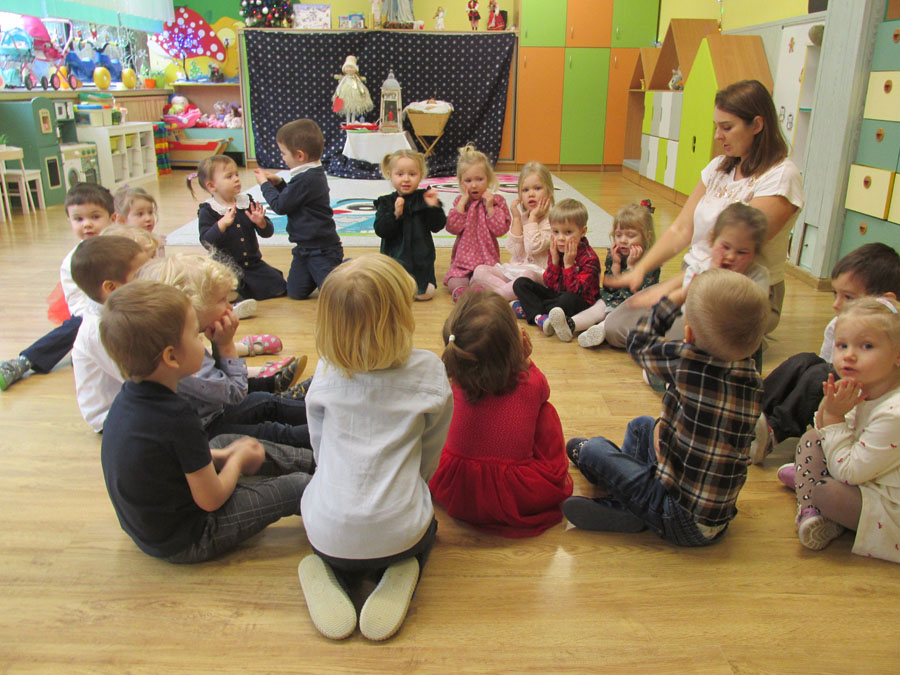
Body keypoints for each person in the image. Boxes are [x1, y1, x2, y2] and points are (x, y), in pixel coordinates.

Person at [99, 280, 314, 563]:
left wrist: (226, 455)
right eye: (195, 336)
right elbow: (211, 499)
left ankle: (317, 463)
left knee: (226, 442)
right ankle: (339, 504)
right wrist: (236, 461)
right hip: (191, 537)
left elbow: (170, 460)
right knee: (297, 486)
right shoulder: (176, 416)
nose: (202, 342)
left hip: (156, 528)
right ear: (171, 357)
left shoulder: (128, 400)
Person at [297, 255, 452, 642]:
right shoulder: (430, 370)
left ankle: (324, 568)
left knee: (322, 501)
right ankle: (405, 566)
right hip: (401, 534)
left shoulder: (325, 372)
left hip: (327, 534)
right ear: (402, 318)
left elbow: (319, 449)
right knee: (425, 522)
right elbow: (431, 450)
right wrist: (413, 485)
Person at [563, 269, 769, 546]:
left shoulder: (688, 363)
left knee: (592, 449)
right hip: (717, 518)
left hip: (677, 515)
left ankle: (630, 508)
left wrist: (676, 298)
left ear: (688, 334)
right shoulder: (753, 380)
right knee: (642, 426)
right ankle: (633, 502)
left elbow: (637, 342)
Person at [603, 79, 805, 347]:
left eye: (727, 127)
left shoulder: (781, 176)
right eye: (716, 127)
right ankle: (723, 346)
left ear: (757, 125)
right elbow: (681, 229)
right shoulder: (719, 167)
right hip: (692, 278)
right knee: (615, 327)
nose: (718, 136)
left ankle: (742, 342)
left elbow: (730, 255)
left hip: (737, 289)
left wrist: (670, 289)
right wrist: (641, 269)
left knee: (644, 337)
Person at [429, 290, 572, 537]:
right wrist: (526, 363)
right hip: (513, 494)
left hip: (456, 487)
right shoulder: (529, 383)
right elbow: (543, 391)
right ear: (511, 348)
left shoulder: (454, 382)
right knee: (545, 410)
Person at [138, 254, 310, 448]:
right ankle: (325, 436)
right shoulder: (180, 357)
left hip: (213, 413)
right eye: (222, 300)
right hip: (204, 433)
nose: (229, 307)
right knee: (275, 433)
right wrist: (225, 344)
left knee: (266, 403)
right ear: (191, 306)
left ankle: (321, 409)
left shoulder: (176, 339)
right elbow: (235, 392)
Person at [782, 297, 900, 562]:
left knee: (828, 493)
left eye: (866, 346)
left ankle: (811, 501)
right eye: (842, 345)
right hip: (867, 476)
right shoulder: (867, 387)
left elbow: (848, 473)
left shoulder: (895, 414)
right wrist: (830, 407)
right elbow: (822, 430)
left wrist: (835, 416)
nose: (849, 355)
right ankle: (810, 485)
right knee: (811, 438)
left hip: (890, 509)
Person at [762, 243, 900, 460]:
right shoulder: (838, 324)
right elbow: (828, 360)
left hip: (860, 389)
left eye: (848, 297)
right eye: (836, 294)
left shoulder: (890, 330)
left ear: (884, 300)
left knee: (819, 375)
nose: (836, 304)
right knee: (804, 360)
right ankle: (752, 411)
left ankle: (772, 434)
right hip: (839, 383)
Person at [0, 183, 115, 391]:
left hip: (123, 308)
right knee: (79, 324)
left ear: (112, 218)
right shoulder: (72, 261)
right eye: (79, 219)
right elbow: (77, 304)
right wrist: (99, 315)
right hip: (93, 312)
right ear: (69, 221)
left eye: (95, 217)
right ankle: (24, 361)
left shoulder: (121, 248)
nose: (87, 224)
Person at [545, 202, 659, 344]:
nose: (623, 240)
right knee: (598, 308)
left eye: (630, 235)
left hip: (634, 305)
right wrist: (616, 265)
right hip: (612, 299)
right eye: (618, 235)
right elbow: (609, 289)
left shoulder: (651, 261)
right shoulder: (615, 254)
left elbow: (636, 295)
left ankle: (598, 330)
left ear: (647, 236)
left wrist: (630, 268)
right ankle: (570, 325)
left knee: (614, 314)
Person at [254, 119, 343, 300]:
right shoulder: (309, 173)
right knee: (295, 293)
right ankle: (318, 274)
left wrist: (264, 185)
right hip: (304, 249)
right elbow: (295, 199)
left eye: (284, 153)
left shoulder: (306, 178)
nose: (283, 158)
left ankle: (348, 268)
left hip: (322, 250)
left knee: (333, 292)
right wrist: (280, 184)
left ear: (300, 155)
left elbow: (280, 206)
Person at [71, 236, 151, 432]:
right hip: (111, 416)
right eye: (141, 275)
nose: (150, 279)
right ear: (112, 288)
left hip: (138, 398)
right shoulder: (98, 330)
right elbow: (139, 380)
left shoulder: (124, 308)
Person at [190, 154, 286, 302]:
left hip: (252, 265)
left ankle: (242, 295)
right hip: (226, 268)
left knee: (279, 285)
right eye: (229, 176)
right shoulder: (208, 210)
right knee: (228, 287)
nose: (236, 179)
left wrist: (261, 223)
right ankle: (236, 296)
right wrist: (221, 224)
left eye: (237, 174)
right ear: (211, 186)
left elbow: (267, 232)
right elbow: (206, 241)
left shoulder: (246, 201)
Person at [512, 199, 601, 329]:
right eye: (555, 232)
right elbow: (549, 284)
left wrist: (568, 265)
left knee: (567, 299)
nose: (560, 238)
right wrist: (554, 262)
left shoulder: (589, 259)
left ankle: (532, 309)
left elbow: (576, 293)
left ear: (582, 232)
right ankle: (541, 317)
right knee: (521, 283)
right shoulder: (556, 250)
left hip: (578, 301)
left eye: (568, 232)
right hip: (557, 296)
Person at [471, 161, 554, 301]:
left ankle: (496, 298)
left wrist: (533, 219)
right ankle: (512, 295)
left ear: (549, 191)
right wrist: (516, 219)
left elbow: (533, 247)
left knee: (527, 275)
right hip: (516, 271)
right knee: (480, 270)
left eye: (537, 188)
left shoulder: (553, 221)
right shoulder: (522, 218)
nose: (531, 194)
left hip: (538, 275)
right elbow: (515, 251)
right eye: (525, 190)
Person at [373, 149, 446, 300]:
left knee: (427, 294)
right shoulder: (386, 202)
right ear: (390, 175)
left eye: (412, 174)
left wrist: (433, 207)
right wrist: (395, 214)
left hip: (421, 260)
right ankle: (399, 287)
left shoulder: (424, 198)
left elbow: (437, 226)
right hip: (395, 259)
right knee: (393, 292)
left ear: (420, 175)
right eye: (400, 174)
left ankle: (411, 288)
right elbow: (381, 230)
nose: (406, 179)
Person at [443, 144, 511, 302]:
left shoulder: (496, 201)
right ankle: (462, 292)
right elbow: (452, 227)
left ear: (488, 179)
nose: (474, 185)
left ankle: (476, 291)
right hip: (462, 261)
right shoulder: (460, 202)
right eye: (468, 180)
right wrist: (462, 205)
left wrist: (490, 208)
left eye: (479, 179)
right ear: (461, 182)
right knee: (454, 280)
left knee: (482, 280)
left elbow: (500, 230)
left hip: (486, 261)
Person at [113, 185, 166, 256]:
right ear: (121, 220)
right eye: (140, 214)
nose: (148, 218)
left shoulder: (156, 241)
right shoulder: (123, 246)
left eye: (150, 212)